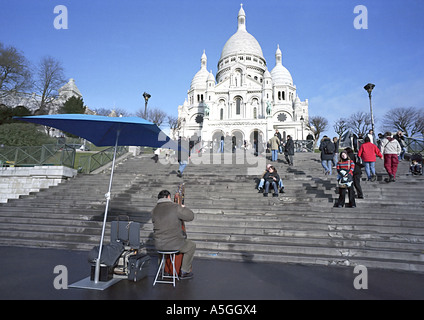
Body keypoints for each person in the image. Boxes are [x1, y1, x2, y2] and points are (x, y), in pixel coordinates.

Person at [151, 190, 195, 279]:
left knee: (162, 247)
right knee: (191, 246)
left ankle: (163, 270)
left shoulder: (154, 210)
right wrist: (183, 208)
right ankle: (184, 271)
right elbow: (190, 216)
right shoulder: (175, 207)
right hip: (173, 244)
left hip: (159, 244)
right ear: (168, 197)